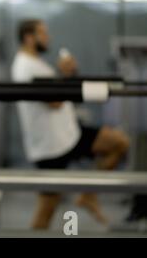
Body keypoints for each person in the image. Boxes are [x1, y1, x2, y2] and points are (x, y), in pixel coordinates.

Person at [11, 19, 130, 230]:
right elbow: (55, 101)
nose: (47, 38)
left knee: (119, 143)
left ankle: (89, 195)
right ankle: (88, 195)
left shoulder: (36, 62)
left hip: (67, 136)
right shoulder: (25, 66)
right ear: (29, 37)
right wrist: (66, 76)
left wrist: (68, 76)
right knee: (45, 211)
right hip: (51, 146)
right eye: (42, 34)